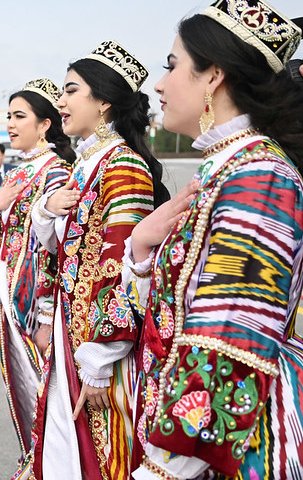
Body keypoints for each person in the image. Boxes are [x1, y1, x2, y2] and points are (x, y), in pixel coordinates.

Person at [123, 4, 303, 478]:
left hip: (230, 447)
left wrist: (164, 468)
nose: (159, 84)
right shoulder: (226, 168)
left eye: (172, 64)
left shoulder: (259, 176)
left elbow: (230, 340)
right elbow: (175, 313)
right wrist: (142, 246)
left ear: (214, 76)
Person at [31, 41, 169, 479]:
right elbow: (63, 253)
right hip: (75, 338)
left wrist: (100, 357)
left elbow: (124, 268)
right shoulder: (84, 166)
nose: (61, 102)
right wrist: (47, 210)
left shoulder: (123, 167)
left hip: (102, 349)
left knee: (104, 457)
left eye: (71, 91)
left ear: (104, 102)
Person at [0, 78, 74, 478]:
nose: (11, 125)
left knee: (43, 402)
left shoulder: (56, 174)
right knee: (24, 399)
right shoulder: (20, 172)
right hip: (14, 306)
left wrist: (48, 316)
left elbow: (61, 253)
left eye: (20, 116)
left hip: (37, 312)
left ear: (45, 124)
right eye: (9, 117)